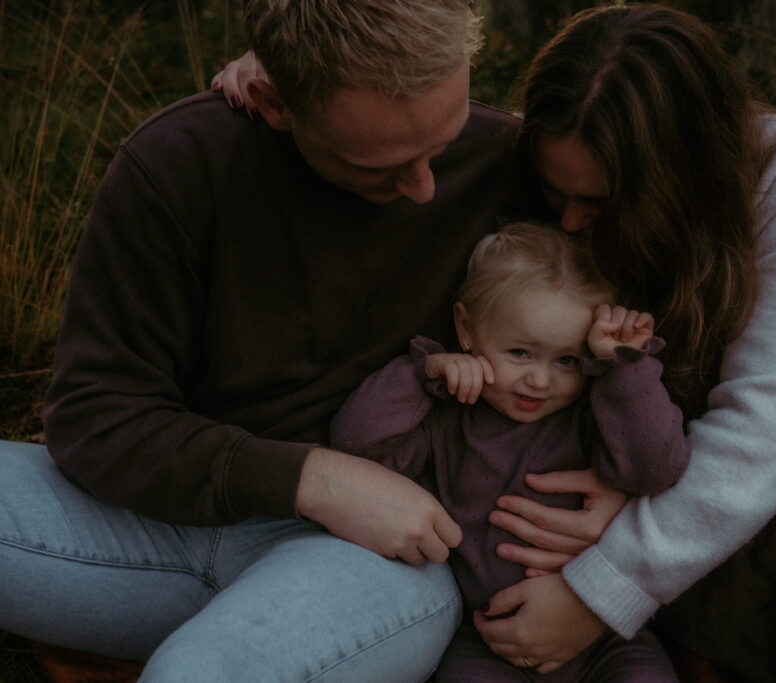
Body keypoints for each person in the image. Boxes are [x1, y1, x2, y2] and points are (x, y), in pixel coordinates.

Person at [210, 4, 776, 681]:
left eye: (597, 204)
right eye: (555, 195)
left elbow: (773, 421)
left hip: (761, 483)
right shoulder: (561, 156)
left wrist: (608, 580)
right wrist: (307, 77)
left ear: (681, 174)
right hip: (623, 492)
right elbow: (410, 130)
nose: (569, 223)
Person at [0, 1, 536, 680]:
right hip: (147, 528)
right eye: (383, 167)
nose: (426, 188)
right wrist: (311, 477)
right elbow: (95, 415)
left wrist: (612, 562)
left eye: (442, 146)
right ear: (272, 100)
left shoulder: (515, 164)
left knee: (201, 672)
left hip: (379, 562)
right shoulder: (178, 163)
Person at [331, 221, 687, 681]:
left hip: (606, 640)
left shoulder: (599, 412)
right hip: (486, 641)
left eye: (567, 360)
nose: (540, 380)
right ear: (466, 327)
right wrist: (421, 375)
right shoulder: (447, 418)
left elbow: (654, 470)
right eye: (520, 352)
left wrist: (625, 368)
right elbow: (358, 445)